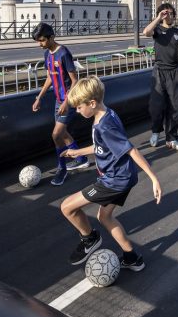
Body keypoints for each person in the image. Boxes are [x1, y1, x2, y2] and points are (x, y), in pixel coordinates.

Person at [60, 77, 163, 269]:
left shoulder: (105, 126)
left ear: (92, 103)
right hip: (124, 176)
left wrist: (153, 178)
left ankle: (89, 238)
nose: (77, 111)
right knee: (105, 217)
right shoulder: (107, 114)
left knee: (67, 207)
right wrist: (78, 151)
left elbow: (131, 149)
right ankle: (132, 258)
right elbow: (101, 146)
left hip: (114, 181)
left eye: (79, 107)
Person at [31, 22, 90, 186]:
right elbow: (50, 77)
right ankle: (81, 158)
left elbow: (74, 80)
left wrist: (66, 102)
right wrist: (39, 97)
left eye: (42, 40)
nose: (39, 44)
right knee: (62, 134)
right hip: (59, 101)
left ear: (51, 37)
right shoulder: (47, 55)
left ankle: (62, 168)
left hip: (69, 100)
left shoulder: (63, 53)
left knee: (56, 135)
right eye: (38, 41)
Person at [144, 3, 178, 150]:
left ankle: (172, 138)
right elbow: (146, 32)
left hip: (174, 71)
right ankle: (155, 132)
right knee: (156, 106)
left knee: (174, 107)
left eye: (171, 13)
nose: (169, 16)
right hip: (159, 71)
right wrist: (158, 18)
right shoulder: (157, 29)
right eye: (166, 14)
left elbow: (176, 51)